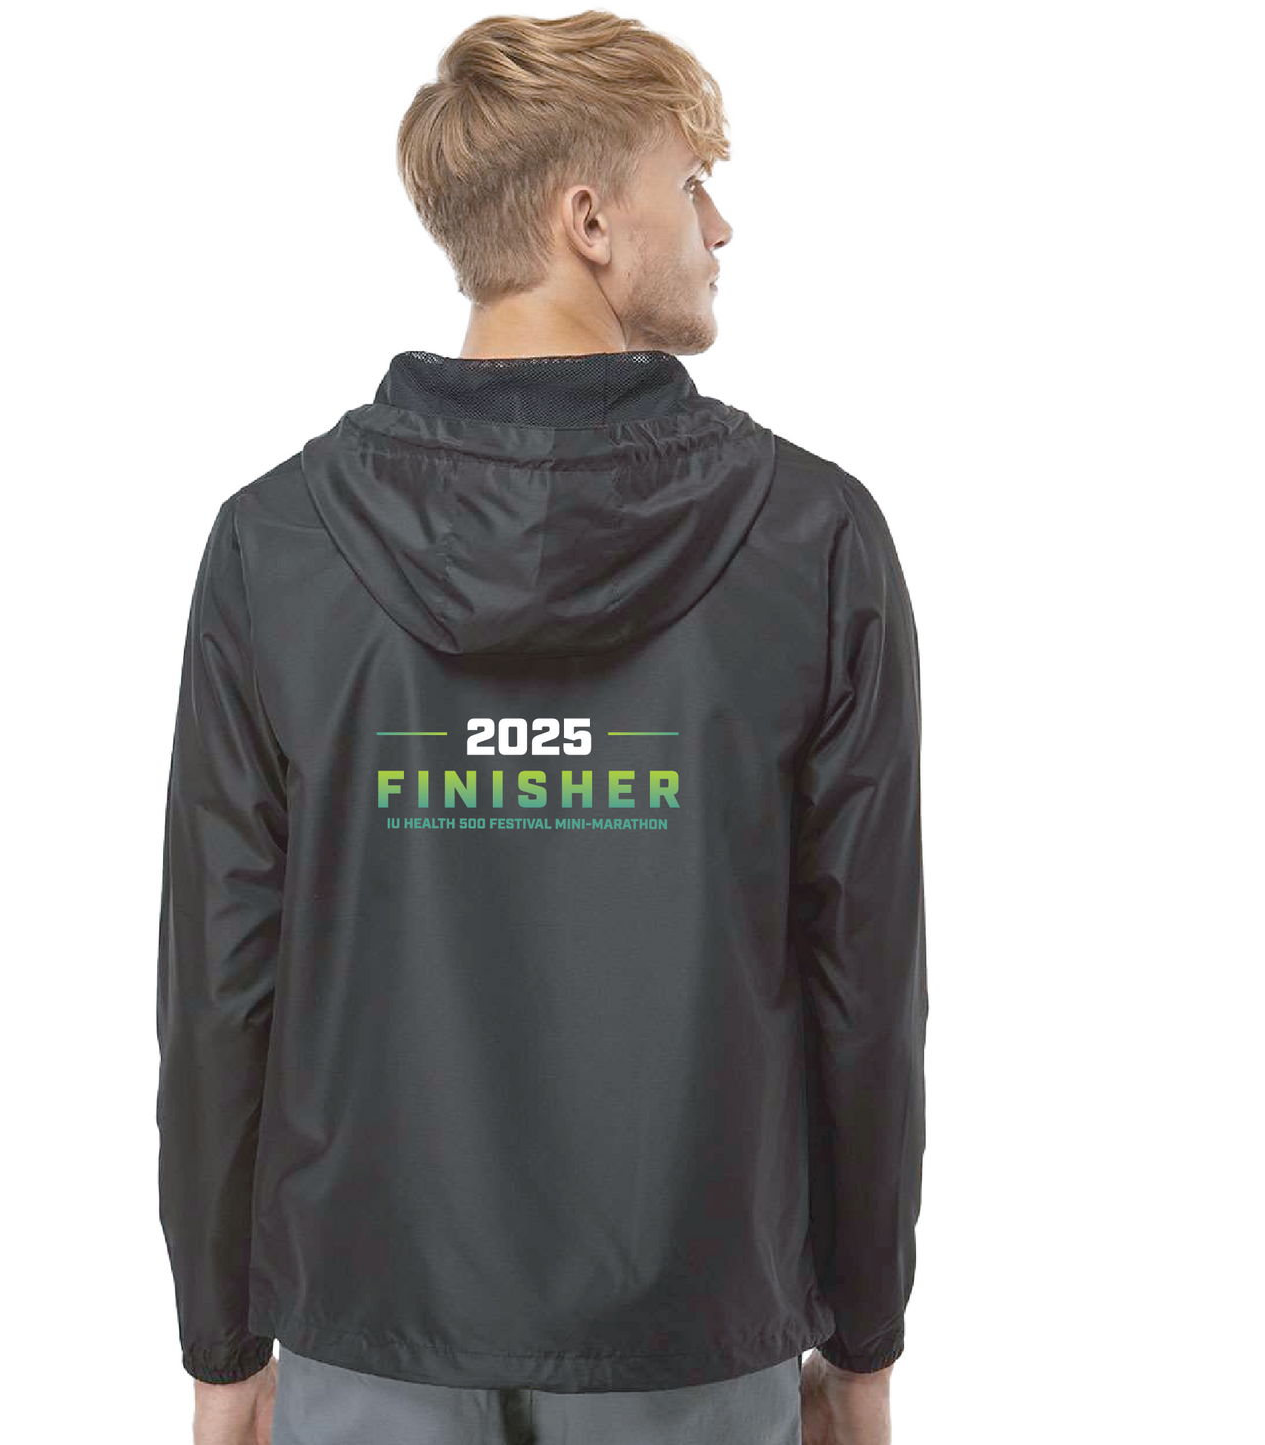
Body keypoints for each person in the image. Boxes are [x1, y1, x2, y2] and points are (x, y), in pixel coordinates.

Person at [155, 12, 927, 1445]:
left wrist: (221, 1341)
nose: (721, 226)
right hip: (694, 1333)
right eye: (692, 183)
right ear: (588, 221)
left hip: (367, 1327)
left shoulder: (277, 546)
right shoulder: (812, 540)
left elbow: (218, 987)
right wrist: (865, 1340)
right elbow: (864, 983)